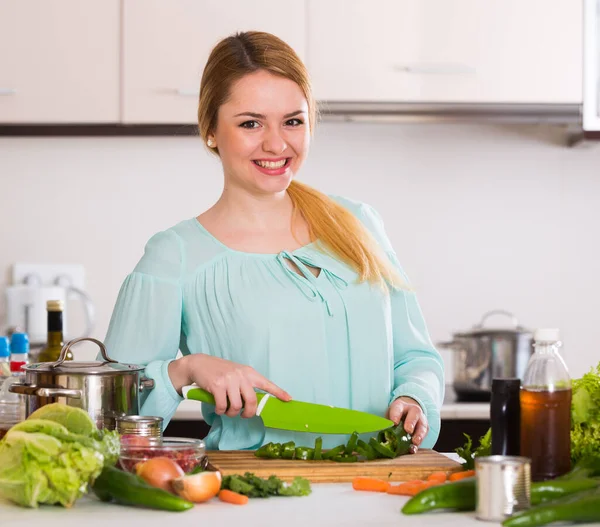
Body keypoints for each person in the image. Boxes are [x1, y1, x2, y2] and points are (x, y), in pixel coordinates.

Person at [104, 31, 445, 452]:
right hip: (255, 494)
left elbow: (417, 357)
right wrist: (185, 370)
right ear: (211, 130)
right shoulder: (174, 256)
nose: (276, 144)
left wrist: (414, 397)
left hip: (377, 484)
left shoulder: (358, 224)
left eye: (293, 121)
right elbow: (112, 413)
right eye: (251, 123)